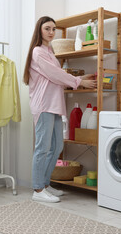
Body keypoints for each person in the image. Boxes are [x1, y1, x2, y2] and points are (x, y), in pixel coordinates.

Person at [23, 16, 97, 203]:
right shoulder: (38, 52)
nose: (51, 32)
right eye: (47, 28)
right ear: (39, 30)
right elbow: (55, 75)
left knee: (57, 146)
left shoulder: (49, 53)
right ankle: (38, 190)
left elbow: (58, 74)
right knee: (42, 148)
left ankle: (46, 184)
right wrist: (79, 82)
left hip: (54, 105)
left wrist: (80, 77)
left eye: (53, 29)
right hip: (43, 105)